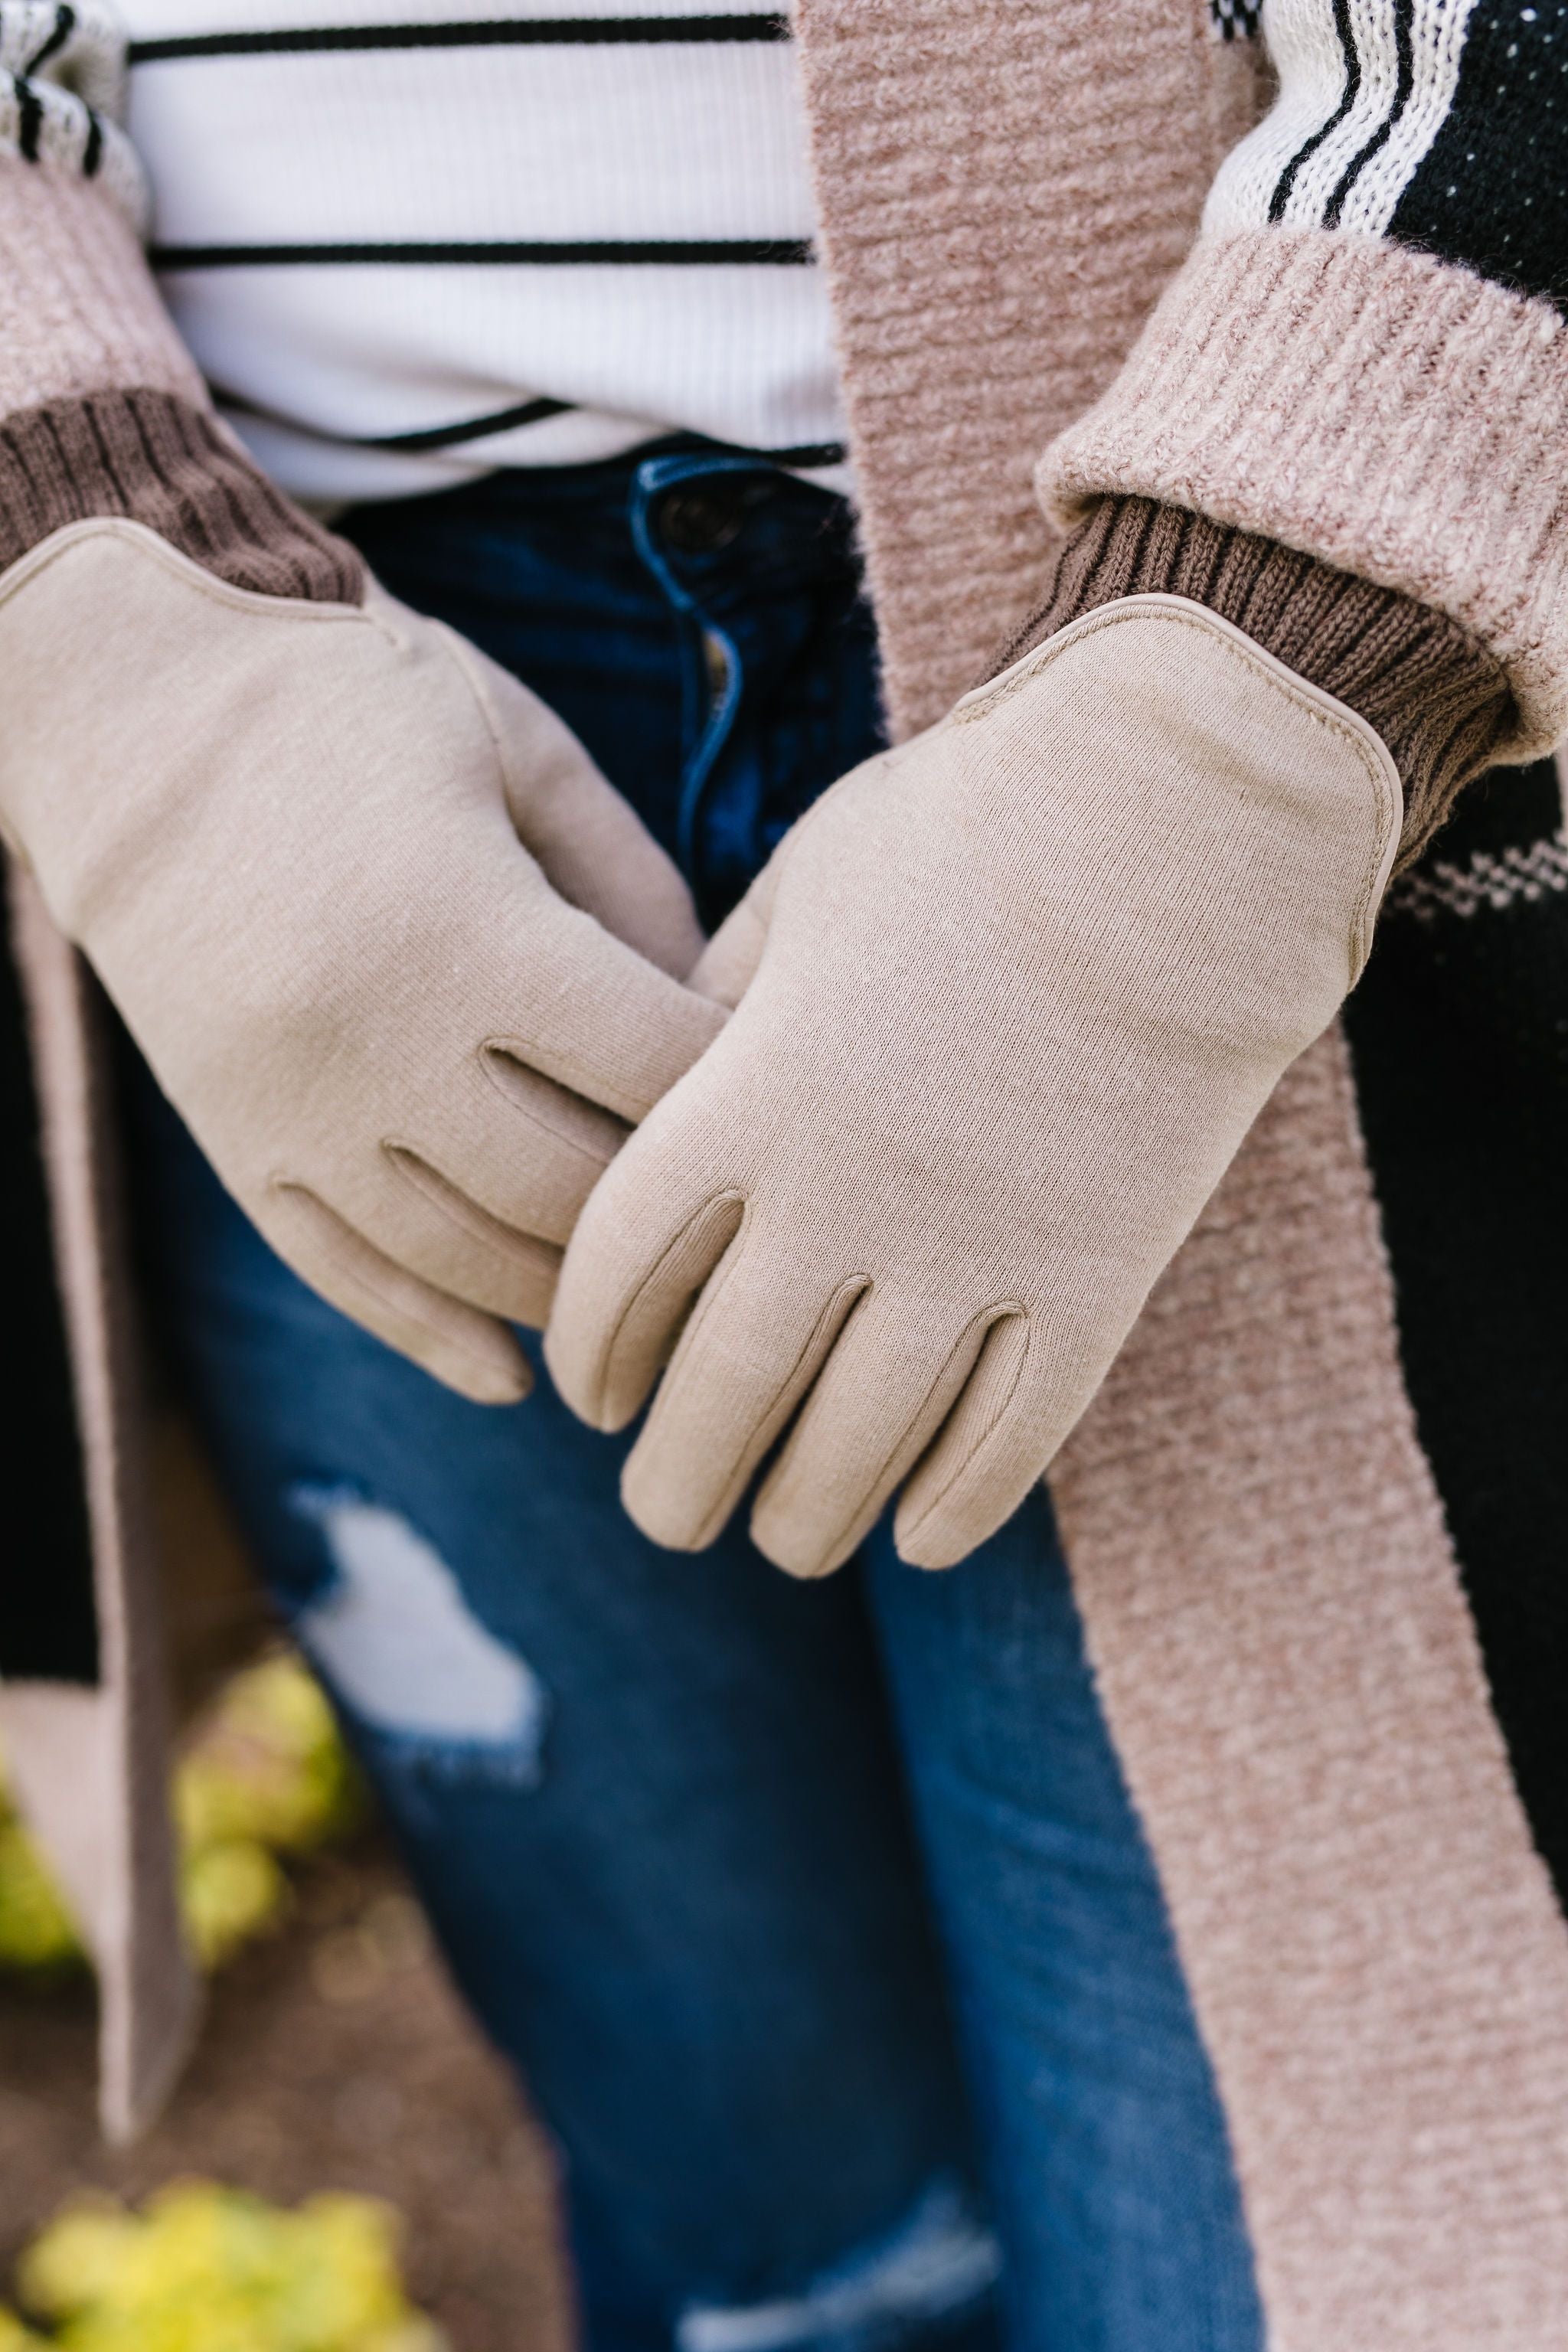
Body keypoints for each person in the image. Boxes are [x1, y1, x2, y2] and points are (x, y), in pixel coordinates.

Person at [2, 2, 1566, 2346]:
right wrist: (79, 574)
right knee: (771, 2262)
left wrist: (1262, 688)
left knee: (1352, 2259)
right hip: (302, 735)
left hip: (1219, 674)